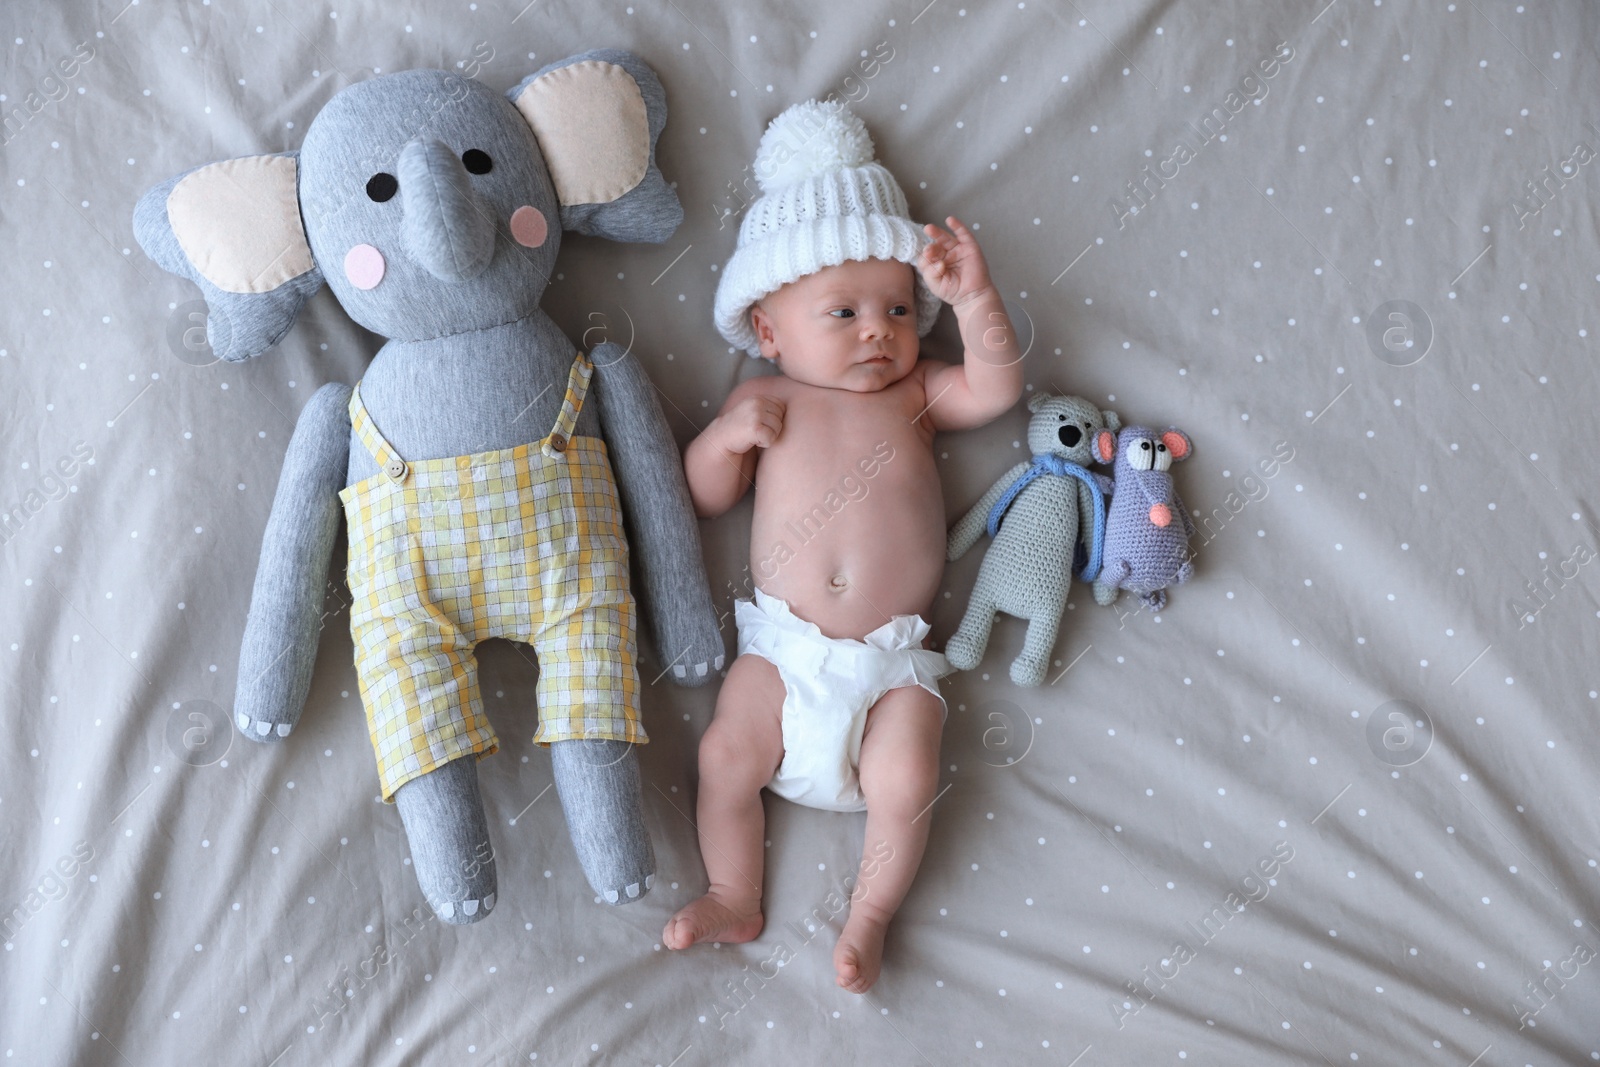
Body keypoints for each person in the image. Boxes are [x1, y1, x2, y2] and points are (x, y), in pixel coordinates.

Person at [663, 100, 1023, 993]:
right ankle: (733, 890)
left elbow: (996, 388)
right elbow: (699, 500)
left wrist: (972, 297)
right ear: (770, 330)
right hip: (781, 654)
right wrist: (724, 442)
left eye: (900, 308)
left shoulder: (916, 396)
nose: (879, 330)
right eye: (846, 311)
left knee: (906, 774)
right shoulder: (767, 402)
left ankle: (868, 915)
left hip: (890, 666)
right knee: (723, 756)